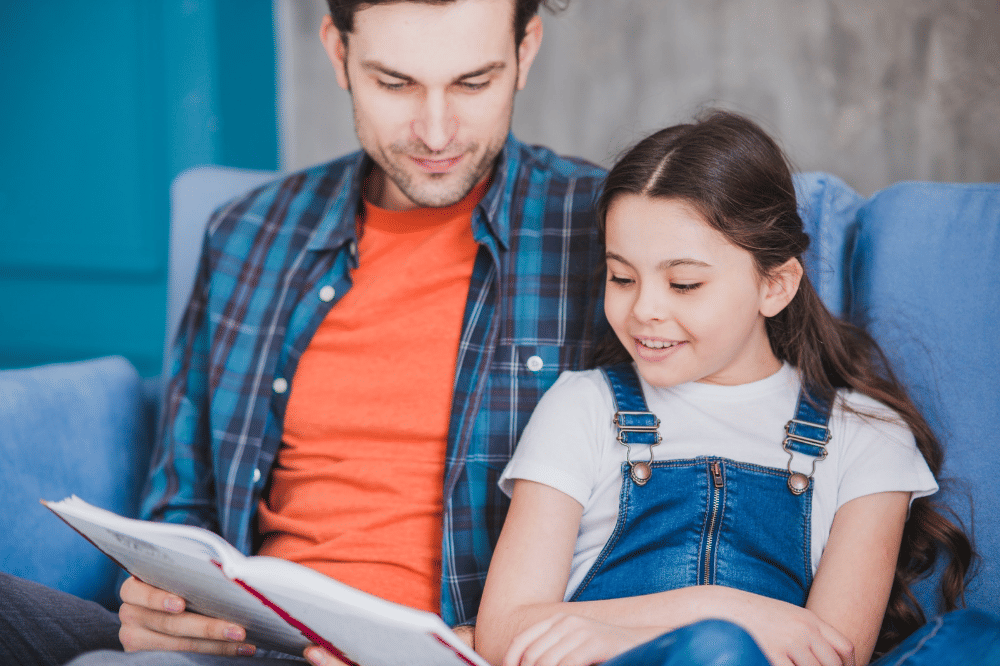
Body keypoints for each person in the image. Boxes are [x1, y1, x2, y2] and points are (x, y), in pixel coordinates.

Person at [0, 1, 610, 665]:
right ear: (337, 51)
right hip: (243, 645)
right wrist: (156, 602)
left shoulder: (606, 234)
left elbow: (673, 512)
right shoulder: (247, 234)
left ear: (526, 48)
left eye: (473, 83)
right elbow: (184, 497)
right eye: (395, 83)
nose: (436, 133)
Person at [475, 110, 999, 666]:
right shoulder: (582, 406)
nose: (644, 309)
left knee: (979, 637)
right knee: (716, 646)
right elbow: (504, 630)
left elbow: (830, 651)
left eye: (684, 283)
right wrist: (719, 608)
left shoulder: (867, 435)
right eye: (621, 277)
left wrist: (617, 627)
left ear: (775, 286)